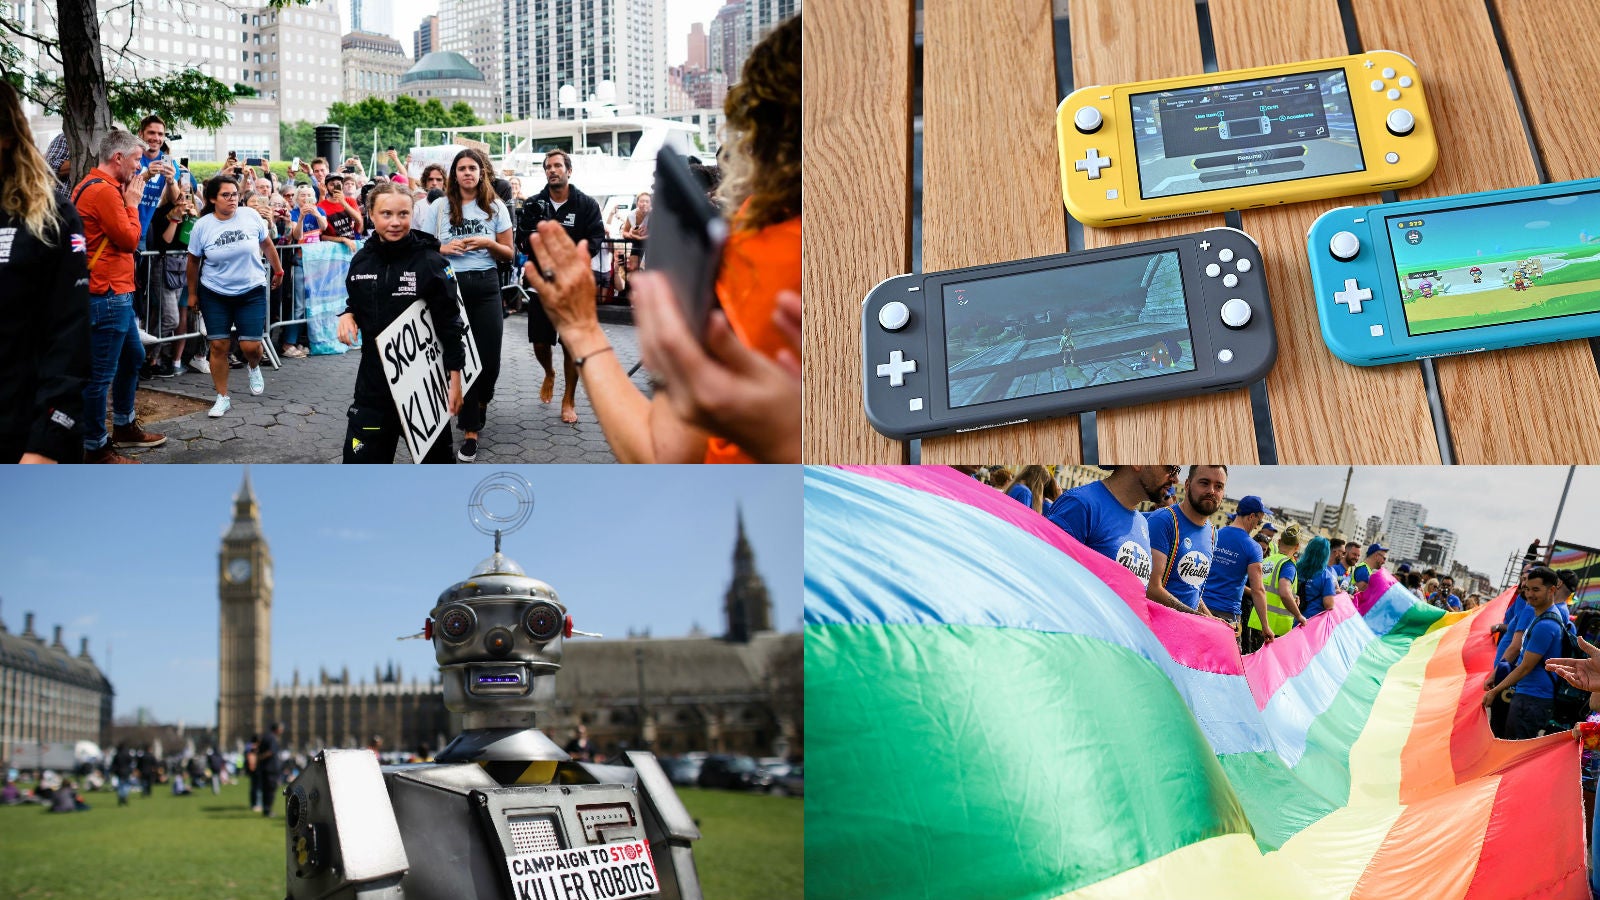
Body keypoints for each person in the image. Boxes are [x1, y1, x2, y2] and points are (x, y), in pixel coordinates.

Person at [524, 16, 800, 459]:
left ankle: (568, 393)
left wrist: (581, 328)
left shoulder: (762, 247)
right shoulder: (767, 228)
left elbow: (663, 451)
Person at [337, 181, 465, 463]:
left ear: (411, 214)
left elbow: (450, 324)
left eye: (403, 214)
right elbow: (356, 301)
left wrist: (455, 379)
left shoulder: (431, 262)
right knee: (360, 467)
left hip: (423, 389)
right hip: (373, 390)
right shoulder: (361, 260)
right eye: (386, 214)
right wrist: (347, 315)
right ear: (371, 214)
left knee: (437, 472)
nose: (395, 222)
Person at [0, 82, 90, 463]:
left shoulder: (50, 215)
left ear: (7, 136)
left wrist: (44, 446)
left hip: (24, 435)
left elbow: (70, 337)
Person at [72, 128, 167, 462]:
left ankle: (124, 426)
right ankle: (96, 447)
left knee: (133, 357)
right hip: (108, 293)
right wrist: (133, 205)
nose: (140, 167)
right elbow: (129, 240)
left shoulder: (92, 185)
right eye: (137, 160)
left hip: (112, 292)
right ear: (118, 158)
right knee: (100, 376)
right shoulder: (105, 192)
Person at [418, 149, 513, 462]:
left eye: (473, 168)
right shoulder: (440, 206)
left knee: (490, 360)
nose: (468, 173)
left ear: (481, 172)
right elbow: (424, 246)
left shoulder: (495, 206)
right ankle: (470, 430)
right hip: (451, 285)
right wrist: (444, 248)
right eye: (462, 168)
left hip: (486, 284)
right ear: (454, 174)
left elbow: (509, 253)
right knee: (464, 357)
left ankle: (482, 399)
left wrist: (487, 243)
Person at [518, 148, 605, 424]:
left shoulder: (586, 204)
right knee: (540, 342)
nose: (552, 170)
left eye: (557, 165)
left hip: (573, 285)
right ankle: (549, 372)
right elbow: (521, 240)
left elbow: (596, 238)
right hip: (541, 284)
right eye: (548, 167)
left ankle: (569, 399)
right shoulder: (533, 203)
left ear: (569, 170)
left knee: (571, 344)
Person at [186, 174, 283, 417]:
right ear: (212, 198)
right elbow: (193, 261)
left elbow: (267, 244)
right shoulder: (202, 226)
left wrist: (278, 269)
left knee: (251, 346)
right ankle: (222, 397)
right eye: (226, 195)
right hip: (214, 292)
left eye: (235, 194)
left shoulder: (250, 216)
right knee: (219, 345)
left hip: (251, 289)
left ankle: (253, 365)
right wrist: (192, 294)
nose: (232, 199)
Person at [1046, 466, 1177, 580]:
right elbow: (1048, 574)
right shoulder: (1081, 504)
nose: (1175, 479)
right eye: (1170, 468)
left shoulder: (1142, 522)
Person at [1484, 567, 1566, 739]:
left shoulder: (1546, 625)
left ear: (1552, 590)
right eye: (1527, 589)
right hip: (1528, 696)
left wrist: (1495, 690)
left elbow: (1525, 667)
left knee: (1513, 747)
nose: (1529, 594)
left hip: (1532, 699)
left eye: (1536, 590)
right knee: (1508, 742)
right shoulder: (1541, 616)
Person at [1144, 465, 1223, 616]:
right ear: (1187, 485)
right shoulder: (1164, 520)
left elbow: (1192, 590)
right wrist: (1194, 616)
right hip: (1155, 622)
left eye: (1218, 486)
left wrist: (1211, 619)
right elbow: (1151, 588)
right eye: (1204, 483)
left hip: (1185, 625)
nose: (1211, 491)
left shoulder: (1213, 533)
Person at [1200, 495, 1275, 650]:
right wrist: (1265, 626)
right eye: (1259, 521)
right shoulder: (1253, 547)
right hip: (1227, 614)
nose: (1257, 526)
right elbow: (1258, 589)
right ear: (1251, 516)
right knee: (1227, 662)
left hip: (1201, 607)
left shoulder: (1214, 534)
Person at [1247, 524, 1309, 643]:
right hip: (1275, 628)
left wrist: (1293, 597)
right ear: (1297, 547)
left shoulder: (1267, 560)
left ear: (1279, 542)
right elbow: (1284, 593)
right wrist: (1298, 615)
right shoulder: (1288, 565)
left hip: (1257, 620)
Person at [1296, 536, 1340, 619]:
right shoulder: (1326, 576)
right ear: (1326, 554)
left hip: (1292, 616)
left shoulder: (1297, 568)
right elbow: (1329, 605)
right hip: (1311, 620)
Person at [316, 174, 363, 246]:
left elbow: (359, 220)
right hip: (333, 247)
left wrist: (343, 202)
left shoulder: (350, 201)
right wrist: (342, 239)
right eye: (332, 184)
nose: (335, 187)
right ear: (326, 187)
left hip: (352, 243)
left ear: (342, 186)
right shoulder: (320, 206)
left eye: (338, 184)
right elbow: (321, 236)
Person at [258, 722, 284, 818]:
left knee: (266, 790)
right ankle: (268, 810)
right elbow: (271, 751)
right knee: (270, 790)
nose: (282, 731)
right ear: (277, 729)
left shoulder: (266, 737)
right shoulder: (272, 738)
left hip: (265, 768)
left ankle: (266, 810)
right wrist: (261, 757)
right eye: (281, 729)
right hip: (271, 768)